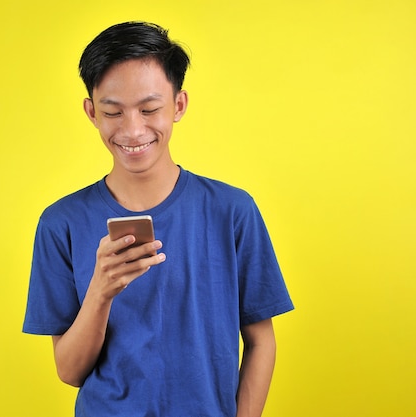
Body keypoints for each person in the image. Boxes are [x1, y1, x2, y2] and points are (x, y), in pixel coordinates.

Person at [23, 21, 294, 417]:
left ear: (179, 105)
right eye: (112, 112)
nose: (133, 130)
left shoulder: (232, 211)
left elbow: (260, 340)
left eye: (149, 109)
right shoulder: (60, 223)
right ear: (91, 112)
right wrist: (101, 290)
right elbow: (69, 371)